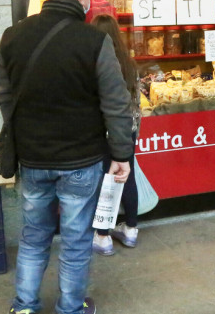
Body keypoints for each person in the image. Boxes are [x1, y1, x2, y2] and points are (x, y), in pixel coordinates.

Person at [0, 0, 134, 314]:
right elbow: (116, 104)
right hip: (81, 161)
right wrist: (121, 154)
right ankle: (70, 307)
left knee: (33, 235)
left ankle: (24, 306)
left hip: (33, 159)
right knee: (75, 240)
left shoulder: (12, 36)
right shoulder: (94, 41)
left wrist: (24, 132)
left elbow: (3, 96)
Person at [90, 14, 141, 256]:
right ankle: (131, 229)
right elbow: (137, 103)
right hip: (128, 130)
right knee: (127, 177)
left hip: (104, 131)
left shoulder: (94, 61)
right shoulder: (129, 64)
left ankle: (102, 236)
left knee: (104, 180)